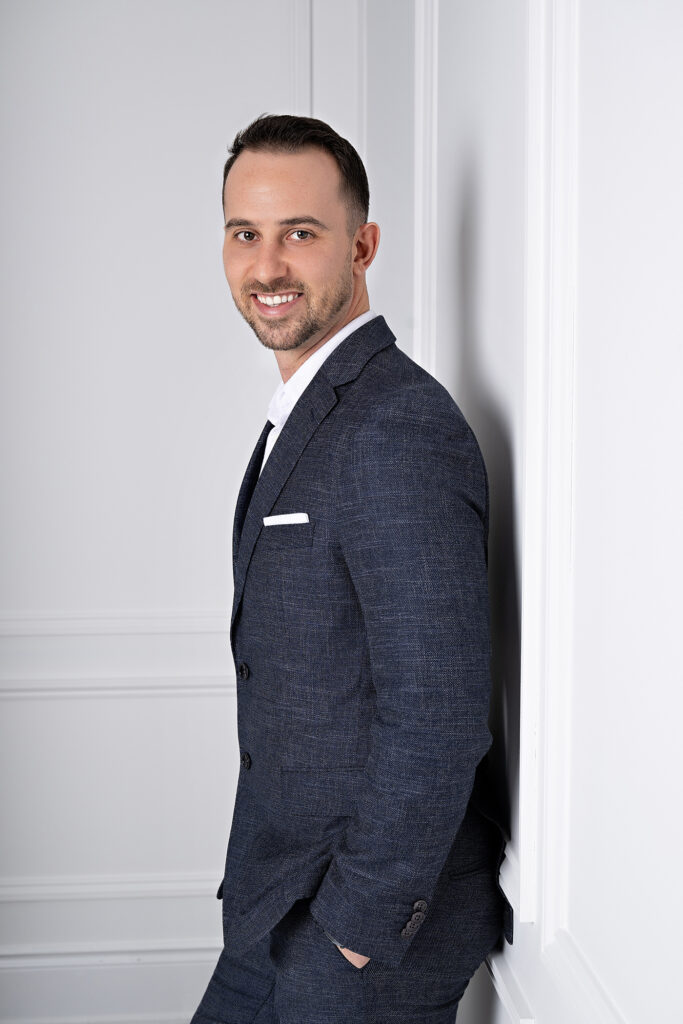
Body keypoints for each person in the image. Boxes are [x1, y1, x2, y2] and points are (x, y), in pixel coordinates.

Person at [190, 113, 513, 1024]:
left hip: (359, 937)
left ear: (362, 246)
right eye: (244, 234)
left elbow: (438, 712)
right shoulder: (309, 412)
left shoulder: (394, 425)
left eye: (299, 233)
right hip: (281, 904)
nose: (267, 266)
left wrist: (353, 933)